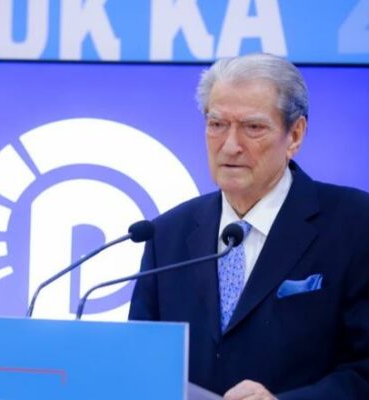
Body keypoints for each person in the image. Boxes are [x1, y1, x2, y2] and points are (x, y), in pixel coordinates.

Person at [129, 53, 369, 399]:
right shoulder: (166, 234)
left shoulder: (355, 223)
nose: (230, 146)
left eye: (253, 128)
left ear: (295, 135)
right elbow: (141, 363)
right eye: (217, 124)